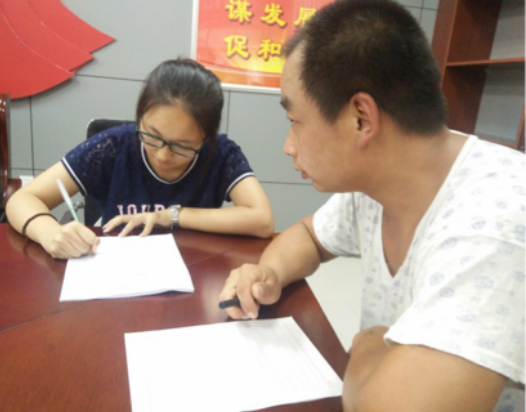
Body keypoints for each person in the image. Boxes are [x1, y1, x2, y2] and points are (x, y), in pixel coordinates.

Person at [218, 1, 526, 411]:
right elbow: (310, 236)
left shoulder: (493, 221)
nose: (288, 146)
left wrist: (367, 342)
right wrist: (269, 272)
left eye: (295, 122)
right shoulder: (379, 184)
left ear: (361, 118)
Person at [6, 58, 275, 259]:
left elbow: (262, 220)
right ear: (140, 117)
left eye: (182, 146)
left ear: (206, 139)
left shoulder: (221, 154)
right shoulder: (112, 146)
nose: (163, 154)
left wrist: (170, 216)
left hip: (195, 272)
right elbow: (22, 199)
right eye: (152, 135)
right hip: (117, 272)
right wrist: (48, 232)